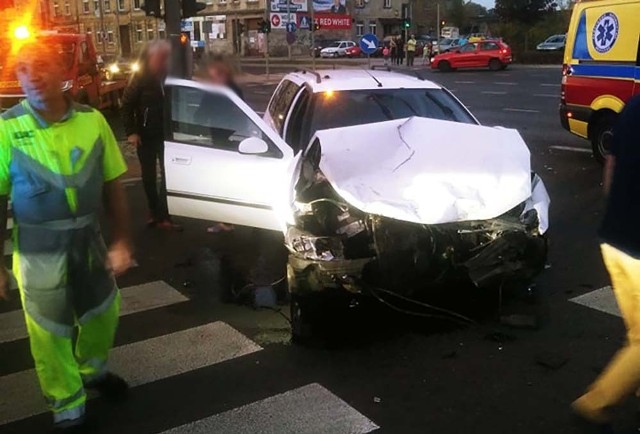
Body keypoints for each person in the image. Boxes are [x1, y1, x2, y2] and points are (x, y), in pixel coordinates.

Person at [0, 41, 133, 432]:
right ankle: (67, 406)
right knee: (48, 327)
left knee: (103, 311)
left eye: (41, 66)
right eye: (24, 69)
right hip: (38, 250)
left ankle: (91, 370)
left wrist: (122, 239)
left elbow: (113, 184)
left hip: (88, 241)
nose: (33, 76)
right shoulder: (7, 128)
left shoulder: (93, 120)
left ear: (61, 73)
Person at [572, 94, 640, 433]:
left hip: (614, 241)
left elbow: (611, 165)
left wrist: (614, 212)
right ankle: (595, 404)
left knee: (637, 332)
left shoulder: (634, 106)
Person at [121, 40, 179, 230]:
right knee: (149, 176)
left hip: (166, 135)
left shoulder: (169, 76)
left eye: (165, 58)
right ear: (151, 58)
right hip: (145, 135)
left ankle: (164, 214)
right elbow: (127, 105)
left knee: (169, 174)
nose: (163, 61)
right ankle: (154, 211)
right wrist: (132, 132)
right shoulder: (140, 78)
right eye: (160, 57)